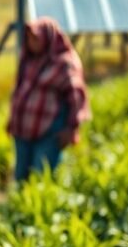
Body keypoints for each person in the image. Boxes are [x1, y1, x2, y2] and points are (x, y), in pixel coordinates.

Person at [8, 17, 91, 182]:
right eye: (29, 38)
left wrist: (71, 127)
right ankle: (20, 207)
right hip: (23, 130)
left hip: (49, 131)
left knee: (42, 175)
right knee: (21, 176)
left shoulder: (64, 63)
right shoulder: (29, 59)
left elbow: (75, 96)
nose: (32, 42)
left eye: (36, 38)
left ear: (48, 38)